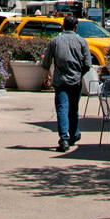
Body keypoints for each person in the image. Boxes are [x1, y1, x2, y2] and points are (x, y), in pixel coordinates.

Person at [42, 13, 92, 151]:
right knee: (73, 108)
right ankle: (74, 134)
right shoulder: (82, 41)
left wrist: (47, 77)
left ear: (63, 26)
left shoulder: (55, 41)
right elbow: (88, 64)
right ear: (76, 27)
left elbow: (46, 62)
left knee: (62, 109)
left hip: (60, 81)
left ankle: (64, 138)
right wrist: (79, 74)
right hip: (75, 81)